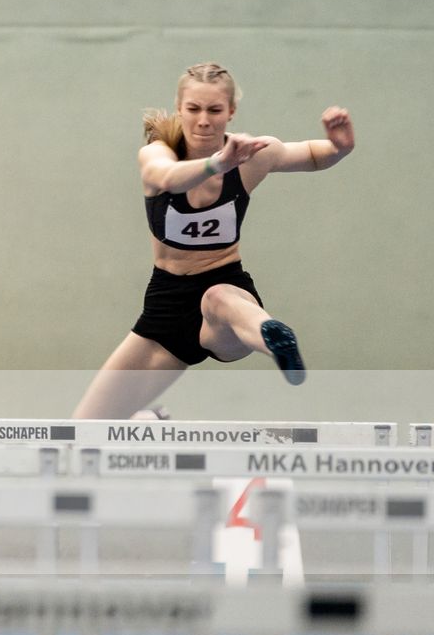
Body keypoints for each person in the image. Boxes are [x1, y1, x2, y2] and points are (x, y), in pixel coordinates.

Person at [72, 62, 355, 419]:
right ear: (179, 108)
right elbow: (168, 179)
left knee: (220, 298)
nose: (203, 120)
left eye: (214, 110)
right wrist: (218, 163)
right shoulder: (158, 154)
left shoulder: (253, 155)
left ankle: (273, 337)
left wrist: (339, 147)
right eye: (193, 109)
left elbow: (313, 155)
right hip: (166, 309)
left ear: (231, 112)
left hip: (225, 290)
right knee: (84, 427)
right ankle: (146, 423)